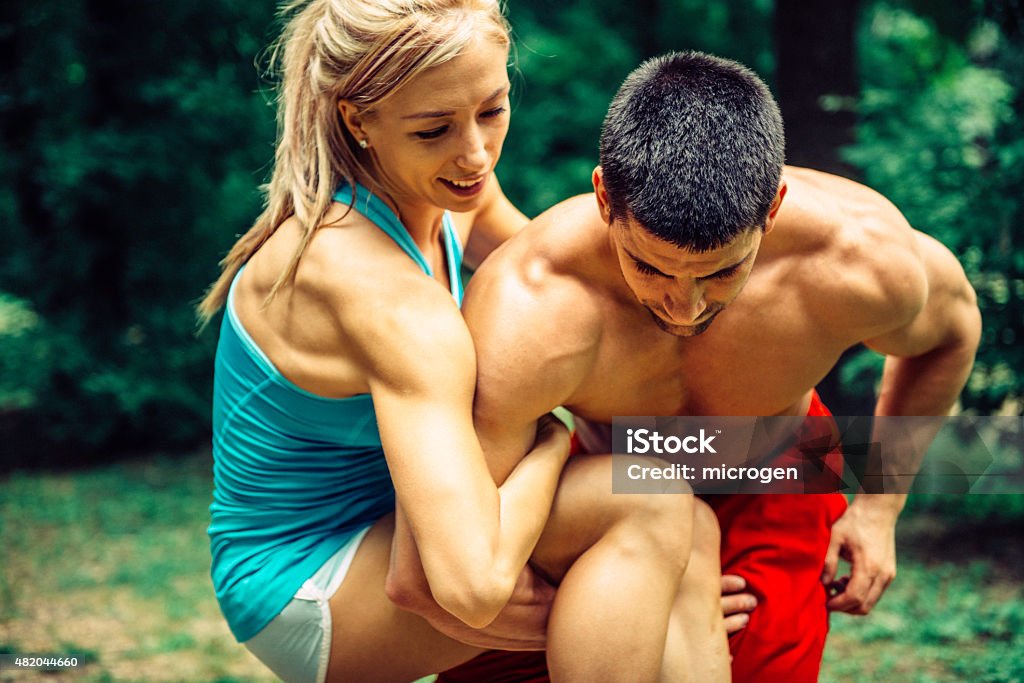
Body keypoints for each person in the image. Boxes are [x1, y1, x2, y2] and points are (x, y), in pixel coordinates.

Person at [409, 51, 982, 682]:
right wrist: (640, 596)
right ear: (604, 198)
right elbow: (468, 543)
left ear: (772, 208)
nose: (684, 306)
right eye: (650, 267)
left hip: (776, 460)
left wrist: (879, 506)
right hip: (611, 474)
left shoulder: (860, 260)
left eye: (721, 272)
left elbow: (951, 336)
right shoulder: (531, 309)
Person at [198, 3, 728, 682]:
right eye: (433, 129)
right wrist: (553, 441)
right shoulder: (381, 297)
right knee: (649, 503)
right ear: (358, 120)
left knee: (692, 534)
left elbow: (566, 285)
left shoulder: (452, 188)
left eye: (492, 109)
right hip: (304, 584)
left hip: (398, 527)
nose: (475, 153)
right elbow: (469, 584)